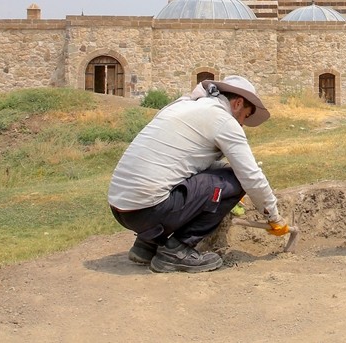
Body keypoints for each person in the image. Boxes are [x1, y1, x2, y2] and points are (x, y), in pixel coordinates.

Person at [108, 75, 288, 273]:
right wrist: (274, 216)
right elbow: (251, 177)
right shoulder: (223, 120)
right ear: (237, 103)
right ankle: (176, 251)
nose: (242, 124)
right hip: (149, 210)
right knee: (237, 180)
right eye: (245, 116)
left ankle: (147, 244)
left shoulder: (182, 106)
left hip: (122, 209)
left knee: (216, 174)